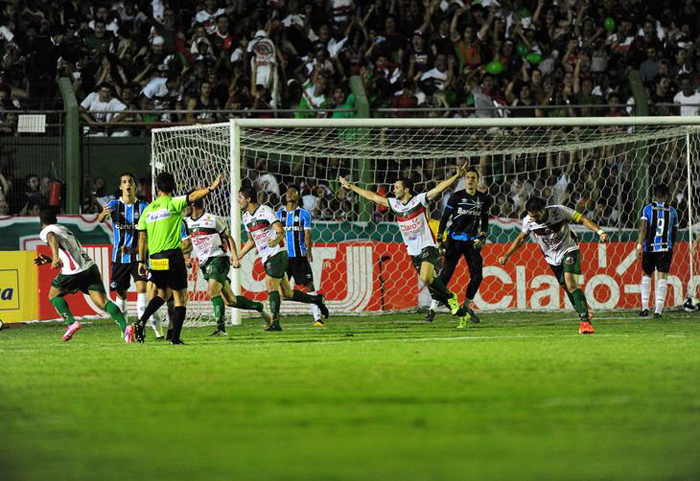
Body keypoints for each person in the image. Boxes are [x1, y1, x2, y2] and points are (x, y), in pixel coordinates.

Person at [338, 168, 466, 320]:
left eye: (397, 187)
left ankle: (450, 298)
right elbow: (372, 196)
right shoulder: (395, 204)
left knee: (425, 278)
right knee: (431, 282)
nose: (394, 189)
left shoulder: (419, 200)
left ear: (406, 189)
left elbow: (439, 188)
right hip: (412, 250)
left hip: (428, 245)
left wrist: (456, 176)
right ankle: (456, 307)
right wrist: (351, 187)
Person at [132, 172, 224, 344]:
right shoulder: (173, 203)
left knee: (161, 294)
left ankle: (140, 321)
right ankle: (175, 339)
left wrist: (140, 261)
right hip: (173, 256)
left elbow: (142, 238)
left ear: (157, 188)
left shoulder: (148, 210)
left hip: (155, 258)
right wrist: (211, 187)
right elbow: (193, 196)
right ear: (172, 187)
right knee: (180, 298)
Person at [498, 197, 608, 334]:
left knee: (571, 283)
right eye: (532, 215)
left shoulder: (559, 211)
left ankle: (585, 321)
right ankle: (583, 310)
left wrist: (600, 232)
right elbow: (521, 238)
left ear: (543, 210)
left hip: (569, 249)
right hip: (551, 257)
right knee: (568, 287)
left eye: (537, 215)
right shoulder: (528, 221)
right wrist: (507, 255)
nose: (534, 218)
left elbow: (582, 219)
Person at [236, 187, 329, 331]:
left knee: (270, 283)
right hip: (266, 256)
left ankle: (275, 323)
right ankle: (317, 300)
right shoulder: (246, 217)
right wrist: (238, 256)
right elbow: (250, 241)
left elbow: (280, 230)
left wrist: (275, 240)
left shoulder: (265, 211)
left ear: (248, 199)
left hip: (278, 252)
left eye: (240, 197)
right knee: (286, 294)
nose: (238, 200)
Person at [34, 209, 131, 342]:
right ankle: (125, 328)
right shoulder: (63, 228)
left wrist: (55, 257)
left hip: (73, 272)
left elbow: (51, 237)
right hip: (90, 268)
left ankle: (71, 323)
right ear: (56, 220)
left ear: (41, 223)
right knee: (103, 302)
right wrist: (51, 259)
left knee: (53, 295)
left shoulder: (47, 230)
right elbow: (69, 252)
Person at [183, 198, 272, 336]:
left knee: (212, 292)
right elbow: (187, 244)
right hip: (204, 263)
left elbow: (229, 238)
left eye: (188, 203)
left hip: (219, 259)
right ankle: (260, 306)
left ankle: (221, 328)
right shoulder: (186, 223)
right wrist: (187, 259)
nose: (185, 206)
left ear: (193, 204)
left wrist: (235, 257)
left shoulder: (212, 219)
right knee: (231, 301)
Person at [97, 173, 164, 338]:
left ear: (135, 186)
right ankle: (125, 331)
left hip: (138, 256)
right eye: (124, 182)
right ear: (120, 186)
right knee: (122, 294)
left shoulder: (143, 206)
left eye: (130, 182)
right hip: (119, 258)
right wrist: (102, 215)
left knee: (143, 289)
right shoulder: (113, 205)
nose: (127, 185)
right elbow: (99, 219)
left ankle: (153, 331)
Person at [426, 167, 491, 327]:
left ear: (477, 180)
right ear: (465, 180)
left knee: (477, 276)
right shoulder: (456, 196)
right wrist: (440, 239)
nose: (470, 180)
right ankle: (433, 307)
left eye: (473, 178)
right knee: (446, 275)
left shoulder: (484, 199)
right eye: (468, 177)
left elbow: (485, 220)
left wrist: (483, 235)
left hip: (471, 242)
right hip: (454, 240)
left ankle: (467, 307)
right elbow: (444, 218)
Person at [276, 184, 324, 326]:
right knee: (279, 290)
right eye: (288, 192)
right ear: (285, 196)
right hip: (283, 257)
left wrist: (308, 251)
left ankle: (317, 318)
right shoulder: (278, 215)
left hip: (299, 256)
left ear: (298, 196)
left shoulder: (304, 214)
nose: (290, 194)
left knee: (309, 285)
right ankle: (274, 319)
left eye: (293, 192)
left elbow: (308, 234)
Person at [636, 184, 678, 318]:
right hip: (665, 248)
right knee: (662, 276)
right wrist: (670, 246)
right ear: (667, 196)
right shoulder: (672, 211)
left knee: (646, 274)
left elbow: (643, 228)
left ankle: (644, 307)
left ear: (654, 196)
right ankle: (658, 311)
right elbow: (675, 232)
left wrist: (639, 246)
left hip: (650, 248)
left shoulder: (647, 209)